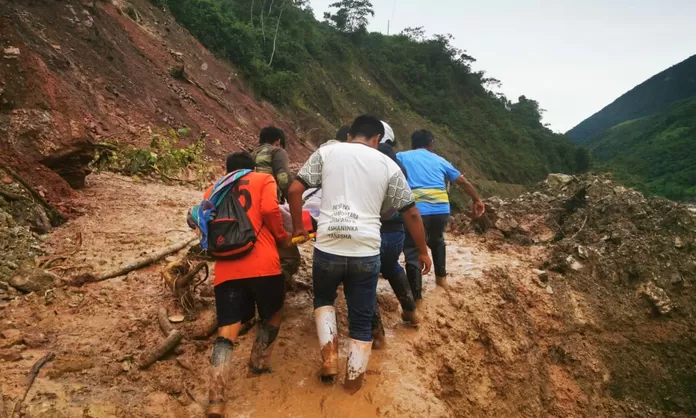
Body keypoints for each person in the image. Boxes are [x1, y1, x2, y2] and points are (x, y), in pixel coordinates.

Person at [288, 115, 432, 394]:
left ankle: (329, 362)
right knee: (361, 318)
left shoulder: (326, 153)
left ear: (350, 134)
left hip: (328, 246)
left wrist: (299, 228)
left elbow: (295, 189)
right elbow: (411, 212)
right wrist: (423, 251)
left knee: (323, 299)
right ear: (377, 139)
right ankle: (353, 384)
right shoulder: (388, 164)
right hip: (366, 251)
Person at [204, 152, 291, 418]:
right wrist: (282, 237)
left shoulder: (214, 188)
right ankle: (257, 364)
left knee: (227, 329)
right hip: (264, 264)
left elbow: (204, 225)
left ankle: (216, 398)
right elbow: (268, 210)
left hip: (226, 269)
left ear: (227, 169)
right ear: (251, 168)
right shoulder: (263, 178)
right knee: (274, 313)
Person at [397, 129, 485, 305]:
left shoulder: (401, 157)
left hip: (415, 210)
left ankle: (417, 300)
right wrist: (477, 200)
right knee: (437, 241)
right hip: (441, 210)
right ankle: (441, 280)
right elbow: (462, 181)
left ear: (412, 144)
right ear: (431, 144)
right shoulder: (440, 160)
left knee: (413, 250)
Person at [371, 121, 420, 349]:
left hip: (369, 228)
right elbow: (407, 205)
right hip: (395, 229)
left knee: (365, 277)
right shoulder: (398, 164)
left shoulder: (363, 157)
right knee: (391, 266)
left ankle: (377, 335)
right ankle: (410, 311)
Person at [252, 126, 292, 203]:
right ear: (278, 141)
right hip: (268, 200)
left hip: (250, 200)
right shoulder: (277, 151)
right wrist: (294, 201)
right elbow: (283, 178)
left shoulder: (251, 154)